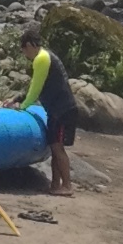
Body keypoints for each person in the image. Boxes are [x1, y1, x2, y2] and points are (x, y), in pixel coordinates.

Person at [20, 22, 78, 197]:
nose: (25, 54)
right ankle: (55, 185)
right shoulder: (44, 57)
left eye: (24, 50)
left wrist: (22, 107)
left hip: (62, 110)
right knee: (55, 146)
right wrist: (17, 98)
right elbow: (33, 86)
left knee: (58, 148)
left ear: (30, 45)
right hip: (56, 110)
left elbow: (35, 89)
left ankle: (67, 185)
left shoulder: (42, 58)